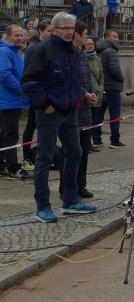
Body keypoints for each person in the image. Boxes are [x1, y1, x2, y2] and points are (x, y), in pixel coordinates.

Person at [21, 12, 97, 223]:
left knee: (75, 152)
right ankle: (42, 206)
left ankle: (70, 200)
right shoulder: (41, 51)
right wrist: (45, 105)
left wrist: (83, 95)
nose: (69, 32)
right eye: (64, 28)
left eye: (71, 28)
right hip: (49, 113)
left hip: (70, 111)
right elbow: (28, 82)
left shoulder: (73, 51)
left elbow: (71, 81)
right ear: (54, 30)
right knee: (44, 158)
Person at [59, 22, 95, 199]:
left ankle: (80, 185)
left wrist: (91, 93)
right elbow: (69, 80)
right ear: (77, 35)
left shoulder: (81, 53)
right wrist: (83, 94)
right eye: (85, 33)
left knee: (84, 149)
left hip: (85, 109)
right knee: (71, 151)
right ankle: (67, 188)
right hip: (74, 109)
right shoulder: (69, 54)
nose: (87, 37)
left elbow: (86, 78)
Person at [0, 24, 31, 179]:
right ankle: (12, 167)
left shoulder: (14, 51)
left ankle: (2, 165)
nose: (19, 38)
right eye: (16, 35)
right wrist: (21, 89)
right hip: (9, 100)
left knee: (5, 134)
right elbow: (4, 74)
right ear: (7, 36)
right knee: (10, 134)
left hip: (12, 100)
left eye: (21, 35)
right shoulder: (5, 51)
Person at [20, 20, 51, 172]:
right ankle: (27, 157)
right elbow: (29, 75)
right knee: (31, 125)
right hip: (37, 95)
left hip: (48, 94)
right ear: (40, 31)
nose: (51, 33)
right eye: (49, 30)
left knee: (43, 128)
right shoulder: (34, 48)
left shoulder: (50, 47)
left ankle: (42, 155)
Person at [95, 29, 125, 147]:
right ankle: (115, 140)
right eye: (114, 37)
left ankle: (96, 140)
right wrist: (121, 79)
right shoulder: (111, 51)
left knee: (98, 114)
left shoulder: (98, 50)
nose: (117, 39)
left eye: (117, 37)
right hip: (112, 87)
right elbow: (115, 69)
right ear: (107, 37)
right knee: (115, 115)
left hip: (101, 87)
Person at [84, 37, 103, 152]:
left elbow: (101, 76)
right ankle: (87, 144)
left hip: (97, 93)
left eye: (92, 43)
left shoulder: (97, 59)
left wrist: (100, 88)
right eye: (87, 43)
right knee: (86, 121)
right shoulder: (81, 58)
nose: (90, 45)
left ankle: (94, 142)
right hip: (86, 94)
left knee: (95, 120)